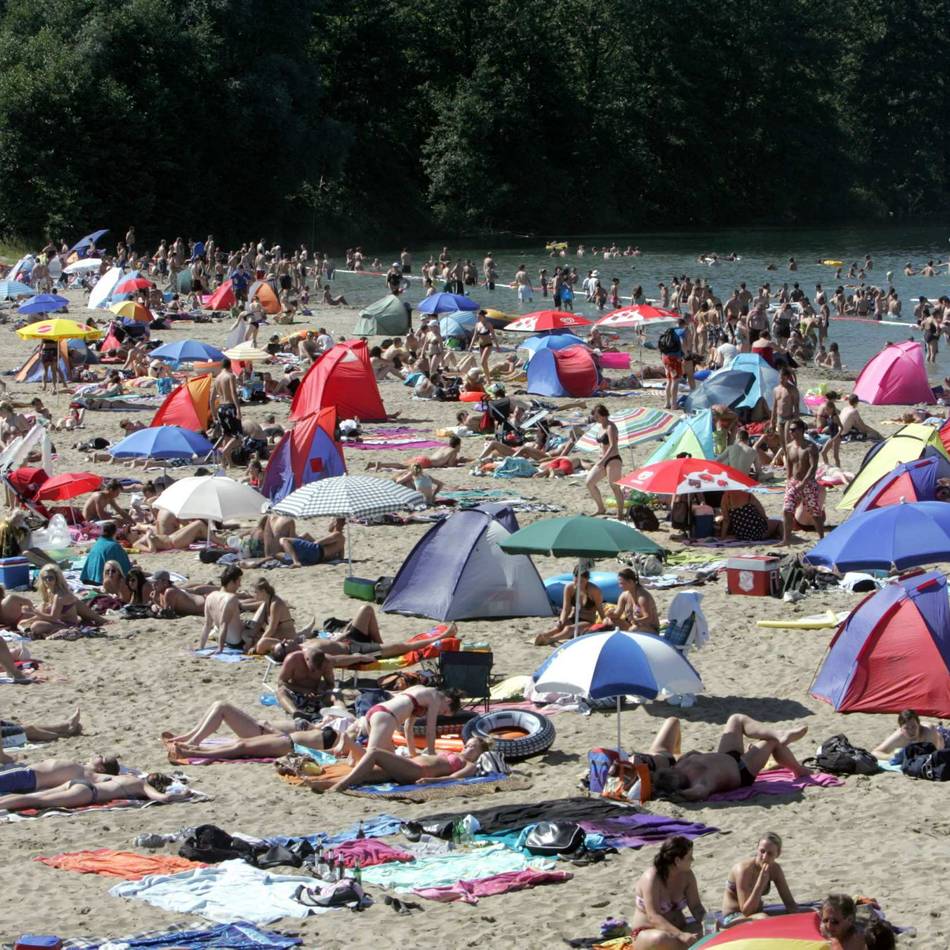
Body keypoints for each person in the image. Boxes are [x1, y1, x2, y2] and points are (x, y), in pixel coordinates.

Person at [328, 686, 462, 791]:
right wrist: (432, 754)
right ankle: (348, 743)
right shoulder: (435, 698)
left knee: (387, 764)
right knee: (370, 760)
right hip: (386, 717)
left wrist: (413, 754)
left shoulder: (420, 691)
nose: (440, 713)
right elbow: (430, 730)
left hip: (377, 711)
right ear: (448, 700)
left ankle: (352, 748)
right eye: (444, 711)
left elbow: (408, 728)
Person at [651, 714, 812, 802]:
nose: (673, 769)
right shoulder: (698, 783)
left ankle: (779, 733)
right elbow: (698, 794)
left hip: (726, 755)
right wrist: (677, 797)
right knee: (771, 743)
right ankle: (799, 771)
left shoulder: (679, 766)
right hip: (742, 770)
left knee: (736, 719)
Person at [165, 701, 343, 760]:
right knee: (219, 706)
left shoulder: (339, 738)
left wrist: (271, 728)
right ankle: (187, 741)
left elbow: (327, 755)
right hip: (270, 733)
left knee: (223, 708)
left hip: (270, 735)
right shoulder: (321, 727)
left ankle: (192, 747)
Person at [329, 735, 490, 792]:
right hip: (409, 765)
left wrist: (432, 781)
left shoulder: (470, 765)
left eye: (472, 747)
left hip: (419, 771)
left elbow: (456, 778)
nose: (467, 748)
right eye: (467, 745)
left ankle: (340, 785)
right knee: (367, 774)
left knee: (374, 752)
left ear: (479, 753)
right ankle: (325, 784)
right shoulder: (454, 753)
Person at [628, 835, 706, 948]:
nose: (693, 860)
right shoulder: (652, 877)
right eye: (689, 857)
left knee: (708, 932)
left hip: (680, 929)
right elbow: (653, 916)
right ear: (677, 860)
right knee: (661, 939)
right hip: (649, 933)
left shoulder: (687, 875)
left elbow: (696, 907)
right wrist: (681, 935)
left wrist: (706, 920)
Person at [0, 768, 188, 811]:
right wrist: (183, 794)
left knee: (35, 796)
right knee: (36, 801)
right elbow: (163, 798)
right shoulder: (142, 786)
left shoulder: (129, 777)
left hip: (76, 783)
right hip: (87, 793)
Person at [722, 832, 799, 925]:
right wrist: (761, 882)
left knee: (811, 911)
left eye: (770, 854)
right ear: (757, 849)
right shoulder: (743, 870)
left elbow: (789, 903)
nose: (764, 857)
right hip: (734, 917)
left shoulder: (775, 869)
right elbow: (746, 911)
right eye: (762, 851)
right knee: (764, 918)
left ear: (777, 854)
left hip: (756, 914)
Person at [19, 564, 105, 638]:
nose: (47, 580)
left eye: (51, 578)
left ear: (57, 579)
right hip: (58, 622)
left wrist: (34, 611)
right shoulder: (50, 592)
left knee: (36, 626)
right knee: (26, 622)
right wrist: (29, 620)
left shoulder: (59, 596)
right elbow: (45, 613)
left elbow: (53, 617)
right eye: (45, 578)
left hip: (68, 625)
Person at [534, 568, 603, 645]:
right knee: (558, 627)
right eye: (576, 581)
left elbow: (600, 610)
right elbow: (566, 609)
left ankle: (550, 639)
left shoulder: (594, 591)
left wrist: (605, 624)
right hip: (573, 618)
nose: (579, 584)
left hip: (588, 621)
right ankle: (545, 635)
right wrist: (561, 621)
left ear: (587, 579)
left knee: (568, 629)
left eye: (582, 582)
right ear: (573, 577)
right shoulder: (569, 588)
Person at [783, 419, 825, 545]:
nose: (791, 432)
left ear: (801, 430)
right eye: (790, 430)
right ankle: (786, 539)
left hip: (808, 483)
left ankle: (822, 538)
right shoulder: (789, 447)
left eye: (793, 429)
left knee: (815, 513)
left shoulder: (811, 447)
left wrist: (804, 482)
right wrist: (788, 480)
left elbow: (813, 467)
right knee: (787, 509)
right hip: (794, 482)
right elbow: (790, 465)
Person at [246, 577, 313, 655]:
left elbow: (272, 629)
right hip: (277, 636)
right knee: (249, 638)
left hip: (286, 639)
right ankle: (302, 635)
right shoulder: (267, 602)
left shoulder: (275, 604)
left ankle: (298, 639)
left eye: (256, 592)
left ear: (263, 591)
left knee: (260, 645)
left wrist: (255, 645)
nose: (254, 595)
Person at [198, 565, 255, 652]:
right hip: (238, 641)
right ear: (232, 582)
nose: (240, 585)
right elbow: (223, 624)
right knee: (262, 612)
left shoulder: (210, 596)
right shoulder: (231, 598)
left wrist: (201, 647)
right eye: (238, 581)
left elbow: (207, 625)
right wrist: (220, 648)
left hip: (227, 640)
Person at [586, 404, 625, 516]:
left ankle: (620, 513)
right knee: (589, 482)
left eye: (597, 416)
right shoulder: (600, 427)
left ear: (604, 415)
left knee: (614, 486)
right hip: (602, 460)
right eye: (595, 417)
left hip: (613, 459)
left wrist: (603, 460)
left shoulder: (610, 427)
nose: (596, 418)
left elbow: (613, 445)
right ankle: (601, 508)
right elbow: (602, 444)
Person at [871, 708, 945, 760]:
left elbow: (933, 755)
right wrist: (891, 757)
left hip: (944, 737)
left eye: (914, 726)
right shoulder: (899, 736)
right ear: (901, 729)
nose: (911, 731)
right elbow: (875, 752)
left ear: (919, 725)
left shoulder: (928, 731)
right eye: (906, 728)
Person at [604, 568, 659, 633]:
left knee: (634, 629)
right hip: (634, 625)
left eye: (622, 583)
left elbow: (648, 618)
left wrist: (637, 621)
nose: (619, 586)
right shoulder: (624, 595)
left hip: (650, 628)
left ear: (631, 582)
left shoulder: (642, 597)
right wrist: (610, 614)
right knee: (608, 621)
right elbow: (617, 614)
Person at [278, 517, 346, 568]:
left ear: (335, 523)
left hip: (316, 551)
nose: (329, 524)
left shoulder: (336, 534)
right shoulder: (342, 539)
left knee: (284, 540)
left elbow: (317, 543)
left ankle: (296, 562)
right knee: (280, 555)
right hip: (317, 558)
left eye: (330, 522)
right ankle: (292, 554)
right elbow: (341, 557)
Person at [80, 521, 132, 586]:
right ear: (114, 532)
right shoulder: (114, 546)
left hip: (87, 578)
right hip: (100, 581)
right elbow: (125, 568)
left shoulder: (98, 542)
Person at [211, 357, 243, 463]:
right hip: (230, 406)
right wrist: (238, 409)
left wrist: (213, 414)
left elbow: (212, 399)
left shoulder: (217, 378)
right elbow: (233, 393)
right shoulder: (230, 376)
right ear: (230, 366)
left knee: (227, 435)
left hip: (220, 408)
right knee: (238, 436)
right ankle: (224, 452)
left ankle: (228, 464)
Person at [469, 310, 497, 377]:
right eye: (477, 317)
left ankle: (488, 380)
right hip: (481, 345)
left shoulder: (488, 324)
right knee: (484, 363)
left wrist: (497, 346)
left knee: (482, 362)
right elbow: (474, 336)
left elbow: (493, 335)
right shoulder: (477, 325)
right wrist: (470, 346)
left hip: (488, 345)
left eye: (479, 316)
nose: (478, 318)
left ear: (483, 317)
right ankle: (487, 377)